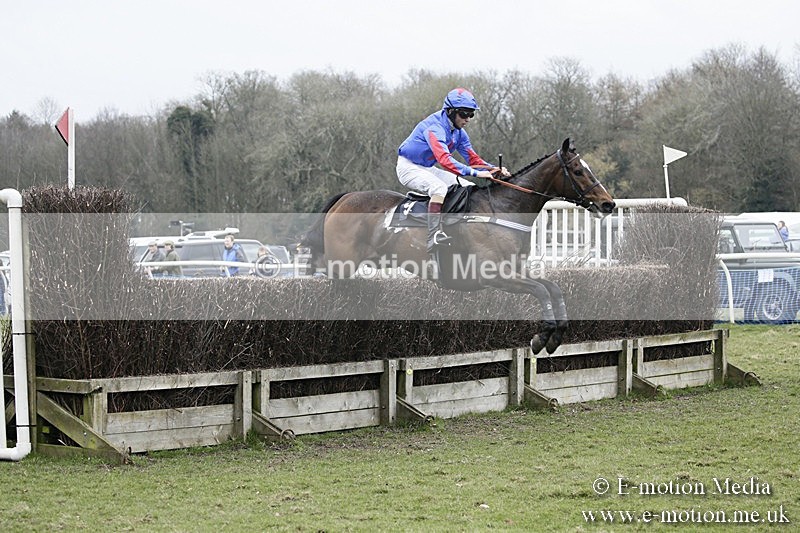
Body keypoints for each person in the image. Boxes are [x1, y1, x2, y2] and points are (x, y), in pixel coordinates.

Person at [397, 87, 510, 252]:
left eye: (471, 114)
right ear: (450, 112)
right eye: (464, 114)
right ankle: (433, 235)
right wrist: (478, 173)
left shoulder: (460, 133)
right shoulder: (434, 127)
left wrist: (493, 169)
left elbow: (473, 159)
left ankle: (458, 230)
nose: (468, 119)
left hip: (427, 168)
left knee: (468, 188)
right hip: (408, 167)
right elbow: (445, 160)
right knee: (439, 188)